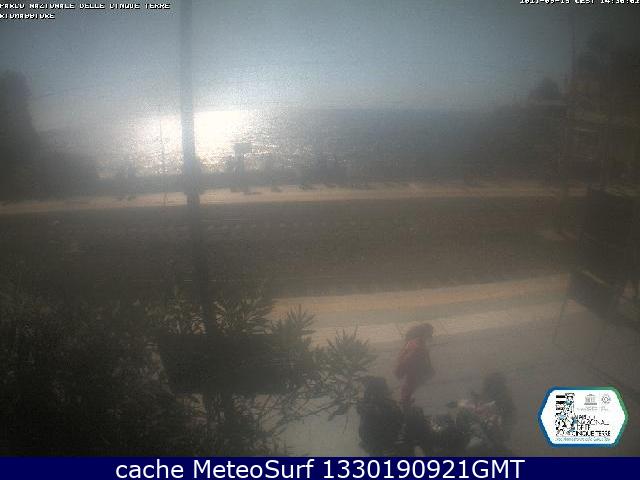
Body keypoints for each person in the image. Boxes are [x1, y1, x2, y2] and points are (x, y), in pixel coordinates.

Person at [395, 323, 434, 410]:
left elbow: (404, 355)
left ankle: (406, 399)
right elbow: (408, 359)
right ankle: (405, 402)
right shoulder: (418, 347)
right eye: (430, 334)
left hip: (414, 368)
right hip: (414, 369)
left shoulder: (416, 342)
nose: (431, 336)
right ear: (424, 333)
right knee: (411, 384)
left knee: (410, 384)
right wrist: (401, 369)